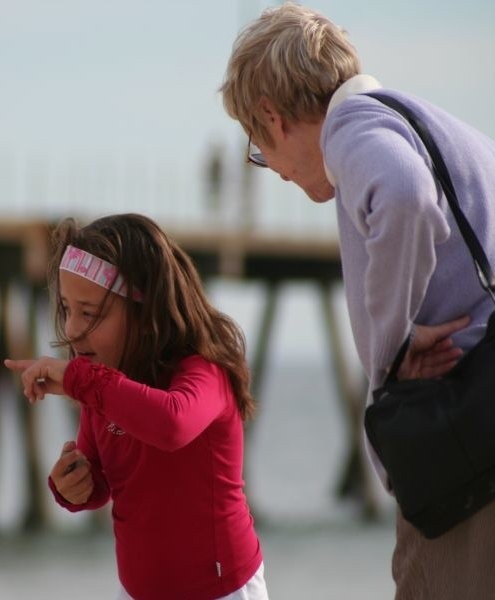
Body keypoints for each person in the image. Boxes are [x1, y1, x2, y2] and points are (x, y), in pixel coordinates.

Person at [220, 3, 495, 598]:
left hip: (466, 448)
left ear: (272, 117)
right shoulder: (439, 127)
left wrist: (392, 351)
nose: (277, 171)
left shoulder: (355, 132)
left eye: (259, 149)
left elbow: (403, 196)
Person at [5, 213, 268, 600]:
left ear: (146, 312)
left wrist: (82, 380)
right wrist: (76, 484)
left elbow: (172, 424)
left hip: (222, 590)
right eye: (66, 309)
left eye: (90, 313)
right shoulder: (104, 384)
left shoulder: (204, 370)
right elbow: (104, 479)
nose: (73, 329)